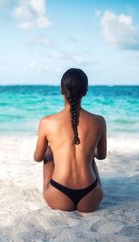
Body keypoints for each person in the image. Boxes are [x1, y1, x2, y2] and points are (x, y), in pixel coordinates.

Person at [34, 68, 106, 212]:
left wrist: (53, 150)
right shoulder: (99, 121)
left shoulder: (47, 122)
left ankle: (52, 186)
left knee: (48, 152)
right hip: (90, 196)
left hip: (58, 194)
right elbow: (102, 156)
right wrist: (88, 152)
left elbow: (38, 157)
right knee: (89, 155)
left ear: (62, 90)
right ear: (85, 91)